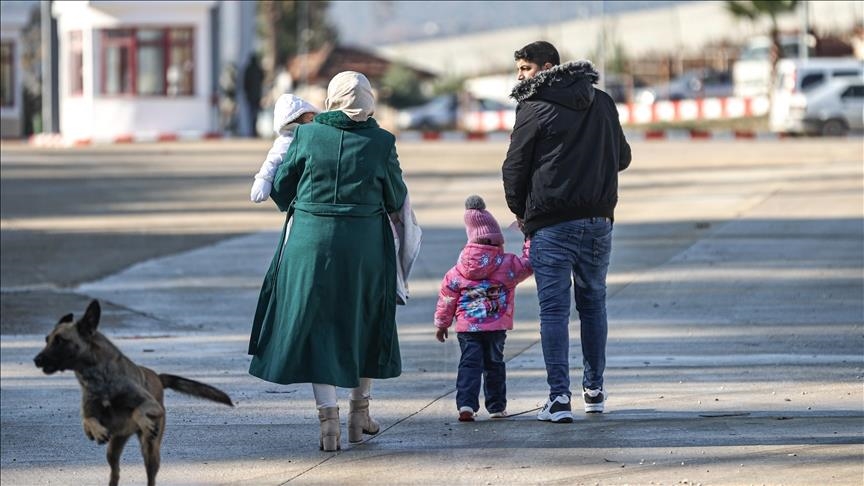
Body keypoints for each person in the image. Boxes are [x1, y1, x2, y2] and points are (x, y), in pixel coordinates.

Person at [247, 71, 408, 452]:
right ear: (368, 101)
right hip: (364, 246)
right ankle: (359, 415)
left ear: (332, 99)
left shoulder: (306, 134)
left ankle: (328, 424)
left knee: (318, 327)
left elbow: (282, 187)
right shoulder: (382, 141)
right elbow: (394, 195)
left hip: (309, 243)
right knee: (364, 320)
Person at [502, 41, 631, 423]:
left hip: (551, 223)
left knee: (554, 311)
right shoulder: (602, 101)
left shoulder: (533, 107)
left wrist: (521, 212)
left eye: (526, 68)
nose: (520, 76)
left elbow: (514, 167)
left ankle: (559, 398)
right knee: (593, 303)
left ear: (547, 67)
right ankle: (595, 391)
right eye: (518, 69)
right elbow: (623, 157)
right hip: (598, 220)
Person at [434, 195, 533, 422]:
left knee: (469, 363)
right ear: (497, 241)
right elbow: (529, 264)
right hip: (496, 327)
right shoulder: (507, 264)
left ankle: (466, 405)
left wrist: (442, 324)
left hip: (467, 328)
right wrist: (529, 237)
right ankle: (496, 407)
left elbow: (447, 298)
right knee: (494, 364)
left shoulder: (458, 270)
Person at [249, 94, 319, 203]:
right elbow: (272, 161)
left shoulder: (317, 132)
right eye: (309, 117)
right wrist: (263, 179)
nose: (312, 118)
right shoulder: (286, 140)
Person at [243, 54, 265, 137]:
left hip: (251, 96)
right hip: (256, 95)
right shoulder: (257, 69)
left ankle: (253, 130)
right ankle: (253, 130)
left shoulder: (249, 69)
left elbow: (245, 83)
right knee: (254, 114)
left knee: (252, 114)